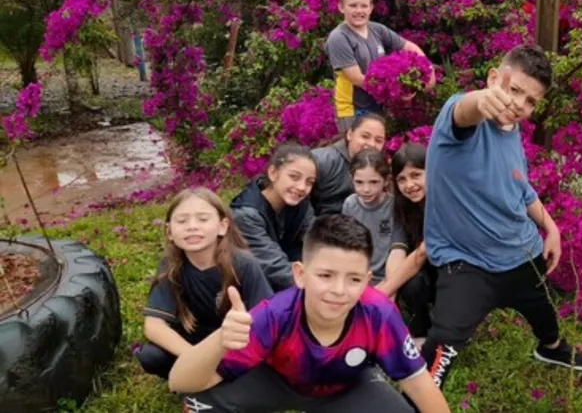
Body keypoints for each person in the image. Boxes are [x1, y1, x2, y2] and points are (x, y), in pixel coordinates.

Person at [420, 44, 582, 388]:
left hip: (522, 254)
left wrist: (551, 228)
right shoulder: (458, 119)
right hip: (468, 264)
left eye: (531, 100)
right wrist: (481, 100)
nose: (519, 104)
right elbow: (464, 111)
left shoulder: (512, 133)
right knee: (443, 343)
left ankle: (552, 348)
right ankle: (417, 400)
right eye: (514, 90)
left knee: (543, 309)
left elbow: (521, 189)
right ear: (493, 78)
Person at [168, 214, 450, 413]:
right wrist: (220, 340)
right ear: (300, 274)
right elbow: (179, 382)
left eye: (353, 279)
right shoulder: (274, 315)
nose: (339, 290)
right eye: (325, 275)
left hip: (346, 386)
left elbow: (418, 385)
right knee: (201, 402)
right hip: (276, 381)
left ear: (366, 280)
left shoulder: (379, 314)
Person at [135, 187, 273, 379]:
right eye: (182, 221)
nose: (192, 226)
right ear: (169, 232)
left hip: (233, 342)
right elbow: (153, 325)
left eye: (203, 219)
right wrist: (196, 358)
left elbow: (267, 320)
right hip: (191, 345)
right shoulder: (171, 265)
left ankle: (221, 382)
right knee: (151, 356)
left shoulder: (243, 264)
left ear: (223, 226)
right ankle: (193, 381)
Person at [326, 0, 430, 132]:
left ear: (371, 8)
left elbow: (409, 46)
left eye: (363, 6)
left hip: (376, 106)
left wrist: (427, 70)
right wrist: (396, 92)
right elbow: (357, 78)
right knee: (358, 154)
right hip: (352, 111)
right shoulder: (339, 38)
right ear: (341, 7)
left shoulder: (377, 30)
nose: (359, 11)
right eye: (353, 5)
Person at [231, 142, 317, 291]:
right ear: (273, 173)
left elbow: (319, 238)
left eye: (309, 182)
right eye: (294, 177)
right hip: (252, 290)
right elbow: (275, 268)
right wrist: (321, 286)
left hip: (291, 280)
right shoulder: (246, 215)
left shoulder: (300, 204)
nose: (302, 187)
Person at [375, 143, 435, 340]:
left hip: (456, 271)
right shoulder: (402, 205)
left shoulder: (445, 201)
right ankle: (421, 329)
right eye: (401, 179)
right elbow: (398, 248)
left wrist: (384, 291)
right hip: (426, 269)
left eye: (416, 175)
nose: (409, 185)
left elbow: (421, 254)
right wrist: (390, 290)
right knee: (411, 284)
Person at [342, 147, 403, 285]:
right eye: (359, 182)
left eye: (374, 182)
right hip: (358, 274)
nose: (366, 189)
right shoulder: (350, 205)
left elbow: (398, 248)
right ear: (352, 179)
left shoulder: (393, 205)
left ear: (386, 180)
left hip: (387, 275)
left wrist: (388, 281)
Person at [310, 113, 387, 216]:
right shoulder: (322, 160)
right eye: (365, 136)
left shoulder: (380, 169)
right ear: (350, 134)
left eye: (378, 140)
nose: (371, 144)